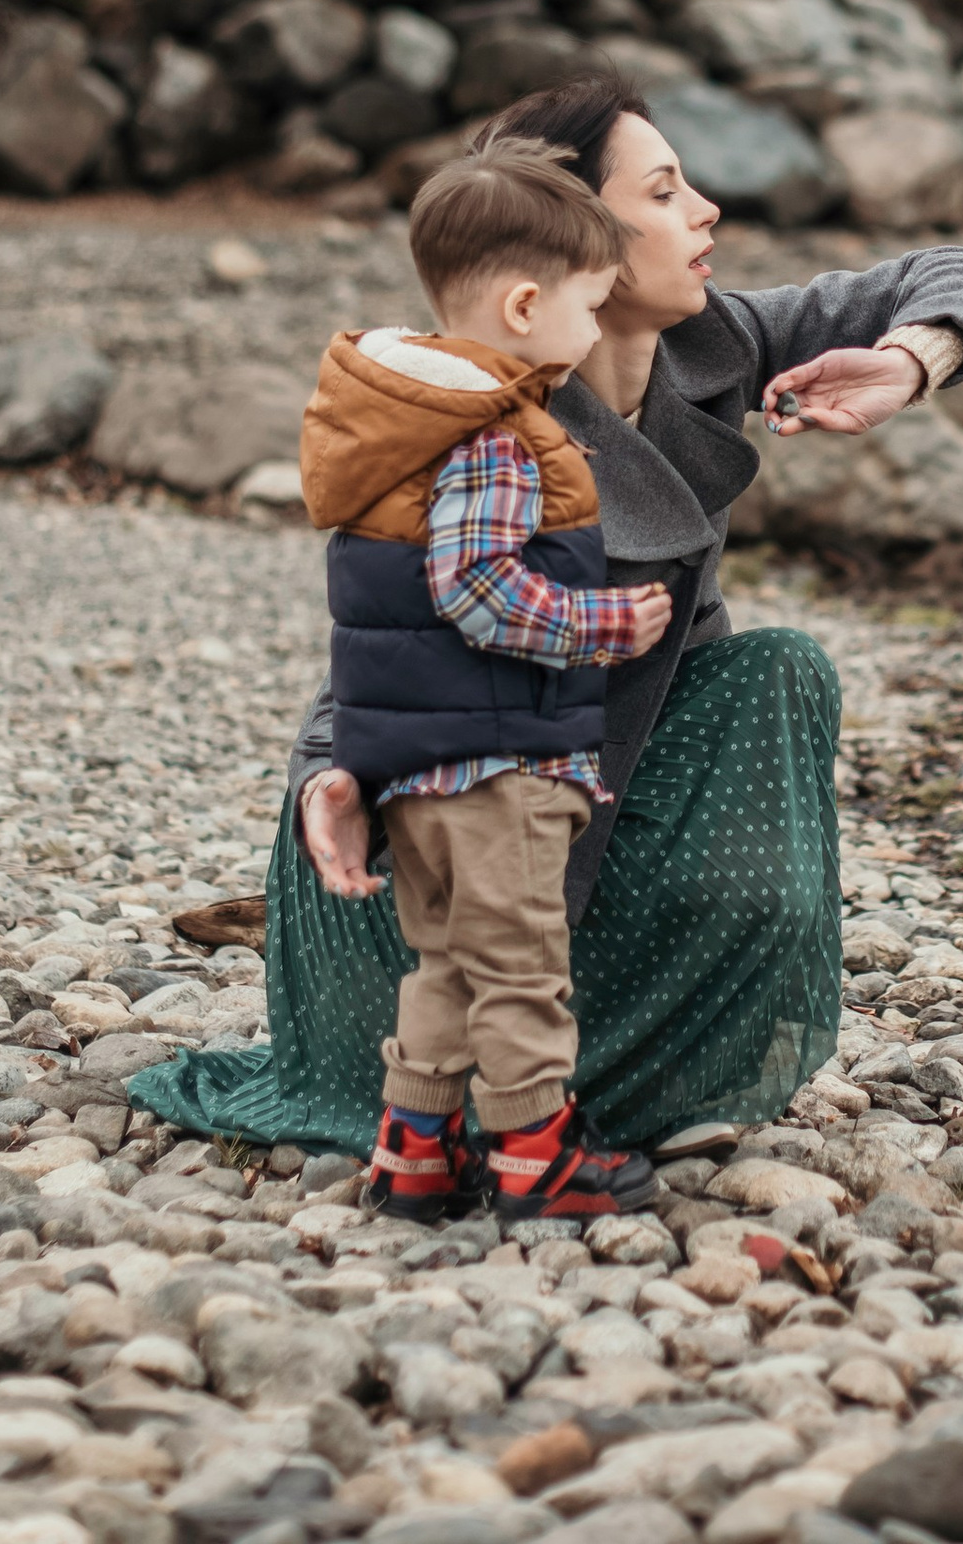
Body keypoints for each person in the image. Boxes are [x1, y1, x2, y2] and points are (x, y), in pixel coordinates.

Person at [130, 74, 963, 1160]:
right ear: (573, 237)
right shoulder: (478, 414)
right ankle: (511, 1119)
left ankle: (580, 1083)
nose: (707, 212)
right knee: (487, 991)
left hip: (590, 783)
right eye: (665, 191)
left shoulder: (713, 341)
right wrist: (329, 770)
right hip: (462, 803)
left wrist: (908, 362)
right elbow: (389, 621)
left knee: (777, 672)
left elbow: (954, 270)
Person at [296, 139, 672, 1221]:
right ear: (521, 305)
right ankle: (532, 1156)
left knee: (448, 966)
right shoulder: (495, 436)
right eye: (589, 305)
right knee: (520, 970)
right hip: (499, 766)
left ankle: (414, 1151)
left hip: (422, 769)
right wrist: (613, 622)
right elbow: (480, 592)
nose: (596, 329)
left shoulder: (409, 429)